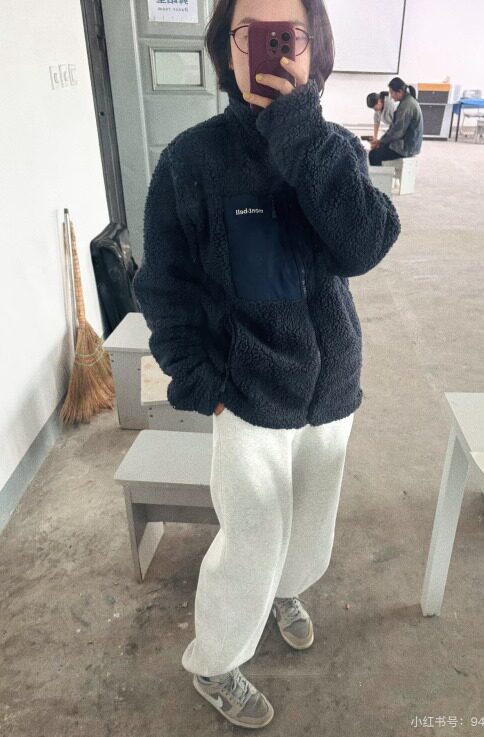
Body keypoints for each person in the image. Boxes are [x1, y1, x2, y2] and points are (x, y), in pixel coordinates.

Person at [133, 0, 401, 729]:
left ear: (316, 50)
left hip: (332, 388)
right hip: (247, 394)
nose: (274, 50)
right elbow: (164, 287)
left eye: (290, 36)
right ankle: (215, 660)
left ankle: (288, 591)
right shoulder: (191, 160)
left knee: (310, 527)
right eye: (252, 35)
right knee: (252, 539)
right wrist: (203, 383)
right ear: (227, 50)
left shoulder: (334, 148)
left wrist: (301, 135)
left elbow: (363, 247)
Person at [369, 77, 423, 166]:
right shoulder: (406, 101)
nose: (391, 96)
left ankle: (380, 175)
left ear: (400, 91)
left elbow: (397, 132)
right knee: (379, 147)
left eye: (392, 93)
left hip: (407, 147)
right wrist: (380, 141)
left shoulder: (406, 105)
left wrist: (380, 142)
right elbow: (393, 127)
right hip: (406, 142)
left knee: (374, 155)